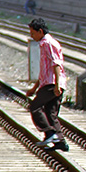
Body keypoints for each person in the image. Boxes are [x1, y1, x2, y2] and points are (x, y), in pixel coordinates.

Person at [25, 18, 69, 151]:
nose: (32, 36)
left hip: (52, 83)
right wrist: (34, 88)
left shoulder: (48, 43)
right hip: (49, 82)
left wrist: (56, 85)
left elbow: (56, 64)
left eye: (33, 33)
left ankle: (50, 133)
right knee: (51, 112)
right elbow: (45, 70)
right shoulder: (44, 43)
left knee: (35, 107)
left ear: (40, 31)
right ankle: (60, 142)